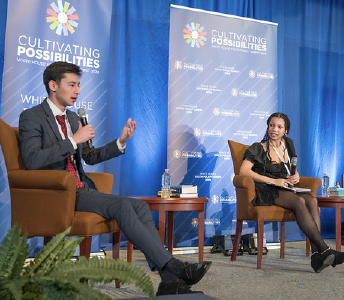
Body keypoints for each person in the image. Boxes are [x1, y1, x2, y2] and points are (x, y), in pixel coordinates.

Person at [18, 61, 210, 295]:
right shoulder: (31, 117)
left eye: (78, 85)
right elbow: (32, 160)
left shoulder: (74, 119)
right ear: (53, 85)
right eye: (72, 85)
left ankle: (168, 279)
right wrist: (72, 141)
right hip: (58, 194)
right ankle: (172, 267)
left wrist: (121, 142)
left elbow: (89, 156)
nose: (77, 91)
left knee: (138, 205)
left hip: (81, 189)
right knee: (122, 206)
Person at [239, 112, 344, 272]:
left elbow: (291, 169)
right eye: (271, 125)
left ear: (286, 130)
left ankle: (316, 256)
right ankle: (325, 250)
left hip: (285, 186)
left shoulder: (288, 144)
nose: (274, 129)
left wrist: (295, 176)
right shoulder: (258, 147)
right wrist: (273, 181)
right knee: (299, 201)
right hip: (267, 188)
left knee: (312, 200)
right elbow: (244, 171)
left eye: (279, 127)